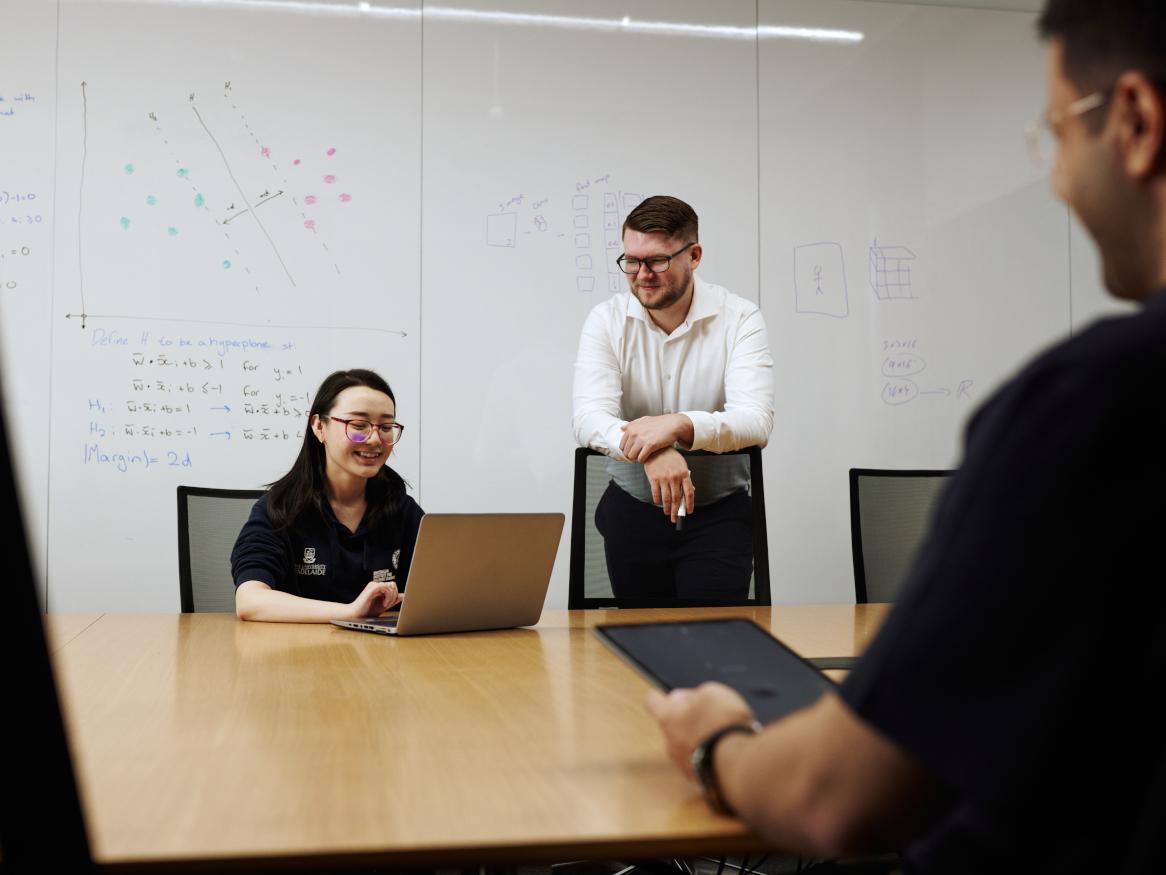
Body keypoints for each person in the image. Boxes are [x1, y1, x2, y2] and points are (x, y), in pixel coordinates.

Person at [646, 1, 1166, 871]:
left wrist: (717, 741)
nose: (1055, 179)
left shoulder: (1097, 403)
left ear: (1137, 123)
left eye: (1057, 133)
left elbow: (833, 799)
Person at [572, 195, 774, 604]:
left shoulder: (740, 318)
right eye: (631, 260)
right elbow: (589, 417)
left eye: (657, 261)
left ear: (694, 255)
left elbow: (755, 420)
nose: (642, 274)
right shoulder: (606, 320)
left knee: (712, 651)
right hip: (632, 514)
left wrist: (680, 424)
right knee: (637, 652)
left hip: (718, 517)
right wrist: (651, 450)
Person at [231, 368, 424, 622]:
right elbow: (250, 601)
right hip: (296, 654)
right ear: (319, 427)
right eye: (358, 425)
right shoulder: (280, 509)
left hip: (380, 656)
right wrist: (350, 612)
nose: (375, 439)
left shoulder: (401, 508)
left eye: (386, 426)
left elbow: (440, 588)